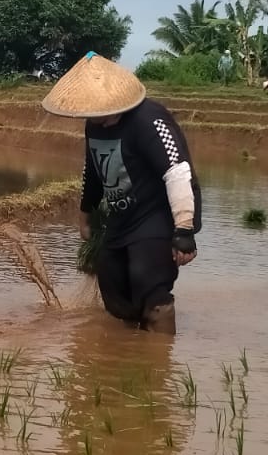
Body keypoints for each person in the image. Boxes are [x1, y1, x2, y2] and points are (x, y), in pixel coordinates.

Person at [42, 53, 202, 334]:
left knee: (148, 279)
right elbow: (92, 169)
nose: (91, 116)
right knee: (113, 285)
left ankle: (157, 357)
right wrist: (85, 215)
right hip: (123, 215)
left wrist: (184, 230)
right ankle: (128, 354)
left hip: (158, 213)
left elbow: (177, 171)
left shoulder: (149, 120)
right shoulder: (95, 125)